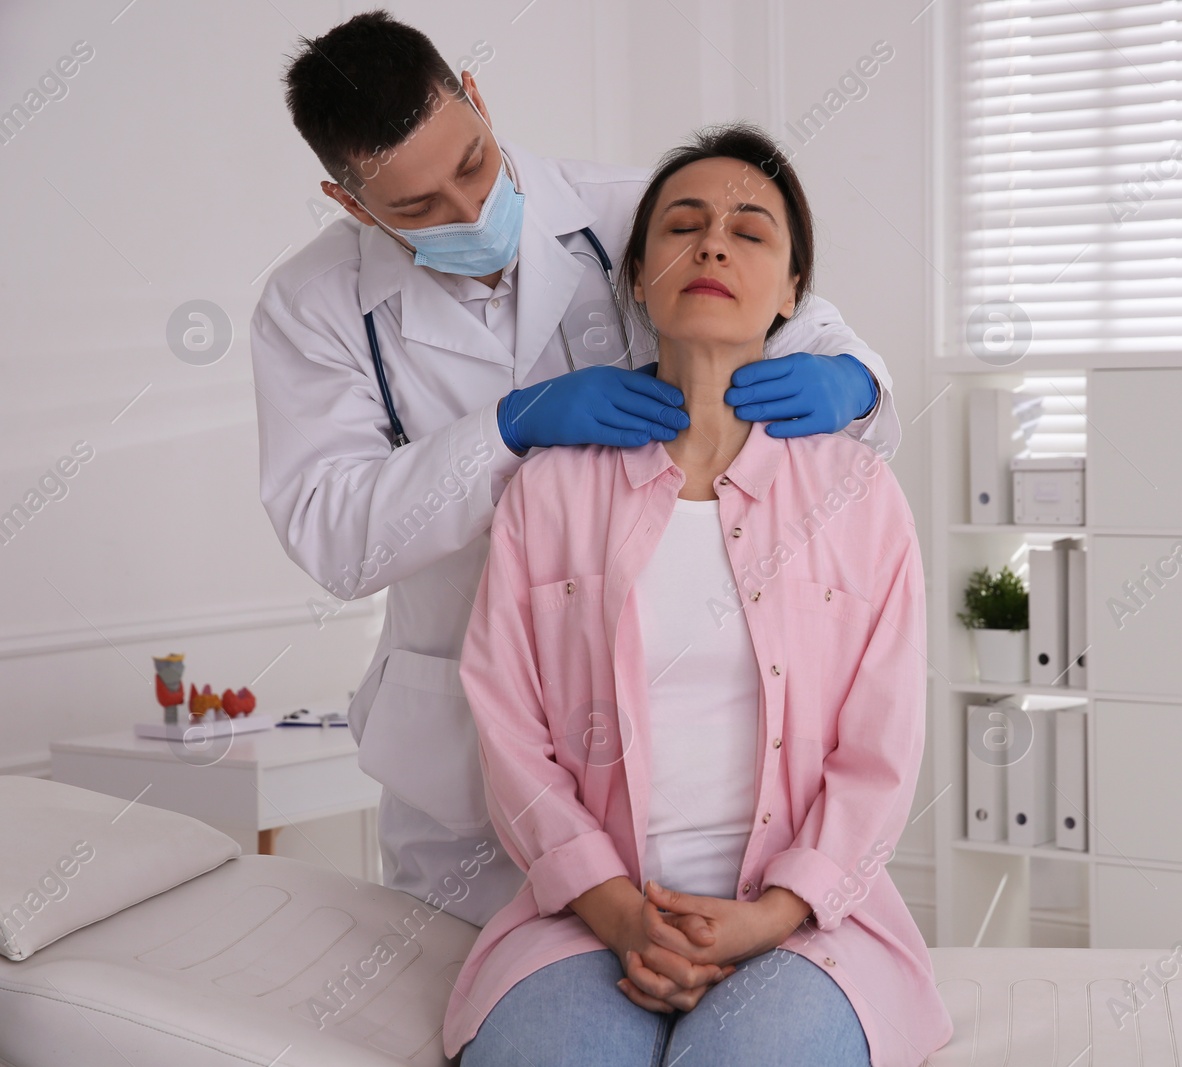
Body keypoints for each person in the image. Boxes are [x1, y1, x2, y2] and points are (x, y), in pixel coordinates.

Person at [250, 11, 902, 927]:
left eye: (471, 165)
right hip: (463, 772)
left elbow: (802, 314)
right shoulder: (311, 306)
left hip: (656, 751)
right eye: (415, 208)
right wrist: (508, 431)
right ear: (348, 202)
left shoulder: (637, 211)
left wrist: (855, 381)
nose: (468, 212)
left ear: (477, 99)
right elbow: (335, 535)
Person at [444, 123, 951, 1067]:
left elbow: (882, 747)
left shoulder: (856, 490)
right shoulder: (553, 489)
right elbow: (509, 728)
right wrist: (617, 909)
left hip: (804, 924)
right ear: (638, 277)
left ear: (795, 291)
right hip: (590, 915)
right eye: (683, 224)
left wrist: (769, 916)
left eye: (751, 231)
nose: (713, 242)